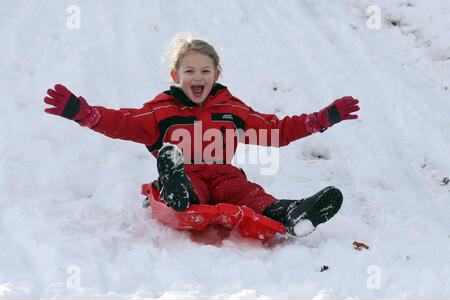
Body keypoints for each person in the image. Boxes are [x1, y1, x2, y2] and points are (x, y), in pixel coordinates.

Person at [43, 36, 359, 237]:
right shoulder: (160, 111)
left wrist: (320, 120)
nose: (198, 77)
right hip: (187, 173)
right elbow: (122, 122)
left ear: (216, 76)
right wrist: (85, 113)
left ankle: (292, 215)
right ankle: (175, 187)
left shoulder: (233, 110)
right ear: (175, 76)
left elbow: (275, 130)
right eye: (189, 71)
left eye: (205, 71)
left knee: (251, 195)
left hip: (225, 176)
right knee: (187, 183)